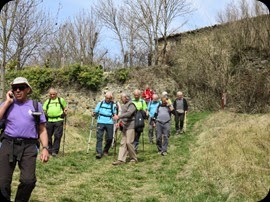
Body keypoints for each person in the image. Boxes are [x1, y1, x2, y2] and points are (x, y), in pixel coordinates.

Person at [0, 77, 49, 202]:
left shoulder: (36, 106)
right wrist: (7, 102)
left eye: (21, 87)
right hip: (8, 143)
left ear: (27, 89)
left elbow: (42, 129)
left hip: (28, 146)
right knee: (2, 182)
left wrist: (45, 148)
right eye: (14, 88)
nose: (17, 90)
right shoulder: (7, 105)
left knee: (28, 181)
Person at [112, 92, 137, 165]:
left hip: (131, 126)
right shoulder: (124, 105)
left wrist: (119, 117)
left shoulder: (131, 104)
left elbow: (129, 114)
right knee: (123, 143)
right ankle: (121, 160)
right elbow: (122, 116)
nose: (121, 99)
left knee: (129, 142)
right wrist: (118, 122)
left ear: (126, 98)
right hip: (124, 126)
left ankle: (134, 158)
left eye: (122, 97)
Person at [43, 88, 67, 156]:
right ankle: (49, 149)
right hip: (49, 120)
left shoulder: (60, 100)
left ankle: (55, 151)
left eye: (54, 94)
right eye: (51, 94)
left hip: (59, 120)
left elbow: (65, 108)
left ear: (56, 94)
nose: (52, 95)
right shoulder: (48, 101)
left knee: (57, 136)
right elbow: (44, 109)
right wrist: (45, 113)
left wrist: (65, 112)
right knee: (48, 136)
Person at [93, 92, 116, 159]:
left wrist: (115, 117)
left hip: (109, 122)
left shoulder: (113, 105)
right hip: (100, 121)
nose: (108, 99)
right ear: (105, 97)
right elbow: (96, 111)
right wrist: (94, 113)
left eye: (109, 98)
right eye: (107, 98)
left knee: (110, 138)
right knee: (99, 137)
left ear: (111, 98)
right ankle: (99, 152)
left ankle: (106, 150)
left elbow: (114, 114)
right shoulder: (100, 104)